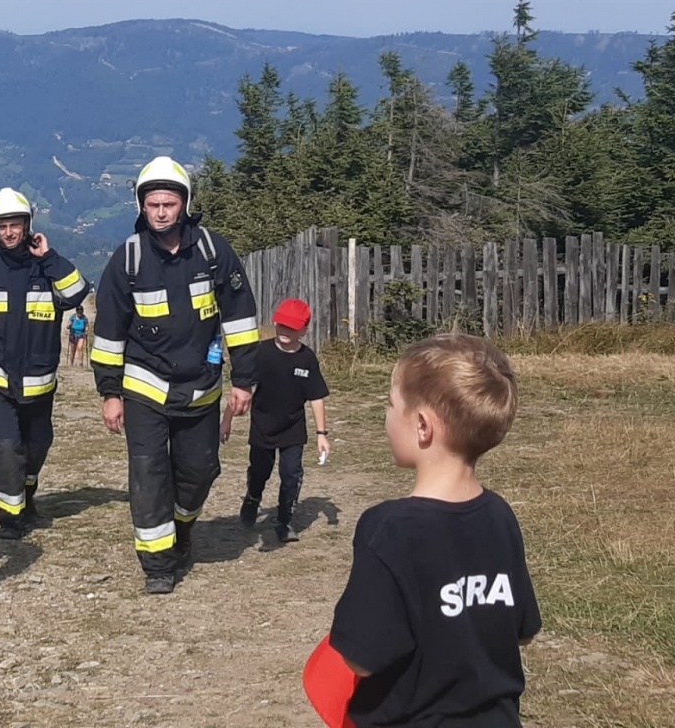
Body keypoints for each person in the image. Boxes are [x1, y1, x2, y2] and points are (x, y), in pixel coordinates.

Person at [307, 334, 539, 728]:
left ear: (422, 427)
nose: (385, 415)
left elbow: (360, 659)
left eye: (390, 404)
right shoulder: (500, 516)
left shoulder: (388, 529)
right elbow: (522, 633)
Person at [91, 156, 262, 595]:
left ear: (185, 204)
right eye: (153, 205)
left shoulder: (212, 251)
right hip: (143, 388)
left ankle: (182, 527)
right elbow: (108, 333)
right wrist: (110, 393)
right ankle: (158, 565)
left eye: (169, 203)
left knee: (199, 471)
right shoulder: (127, 260)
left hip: (201, 390)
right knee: (148, 476)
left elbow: (240, 317)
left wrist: (244, 380)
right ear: (141, 207)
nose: (162, 212)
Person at [0, 187, 92, 539]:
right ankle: (10, 516)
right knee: (6, 446)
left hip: (39, 379)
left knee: (38, 443)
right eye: (2, 226)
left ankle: (26, 496)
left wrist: (50, 258)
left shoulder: (44, 265)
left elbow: (78, 293)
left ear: (28, 225)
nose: (9, 233)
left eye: (15, 225)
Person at [221, 297, 329, 544]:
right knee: (260, 471)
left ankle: (284, 521)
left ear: (304, 330)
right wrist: (226, 421)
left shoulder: (307, 359)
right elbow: (241, 390)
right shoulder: (261, 353)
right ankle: (252, 498)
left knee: (291, 474)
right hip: (263, 427)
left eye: (292, 327)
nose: (285, 331)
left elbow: (316, 398)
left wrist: (322, 434)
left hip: (293, 428)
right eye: (281, 325)